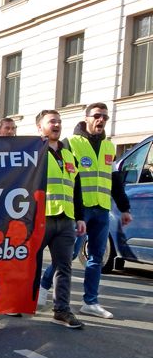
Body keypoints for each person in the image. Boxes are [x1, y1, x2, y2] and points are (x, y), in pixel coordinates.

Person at [40, 102, 132, 319]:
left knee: (97, 257)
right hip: (79, 210)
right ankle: (42, 289)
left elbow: (115, 180)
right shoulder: (70, 143)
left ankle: (90, 301)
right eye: (97, 116)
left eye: (105, 117)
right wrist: (77, 213)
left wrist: (124, 207)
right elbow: (73, 181)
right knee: (68, 254)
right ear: (87, 118)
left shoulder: (109, 147)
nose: (101, 120)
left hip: (101, 208)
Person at [36, 110, 86, 329]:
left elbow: (77, 189)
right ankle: (18, 303)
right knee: (29, 264)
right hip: (40, 217)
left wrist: (80, 217)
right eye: (52, 121)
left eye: (59, 121)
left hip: (66, 218)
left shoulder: (68, 154)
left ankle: (61, 310)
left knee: (64, 265)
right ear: (40, 127)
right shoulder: (34, 152)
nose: (57, 124)